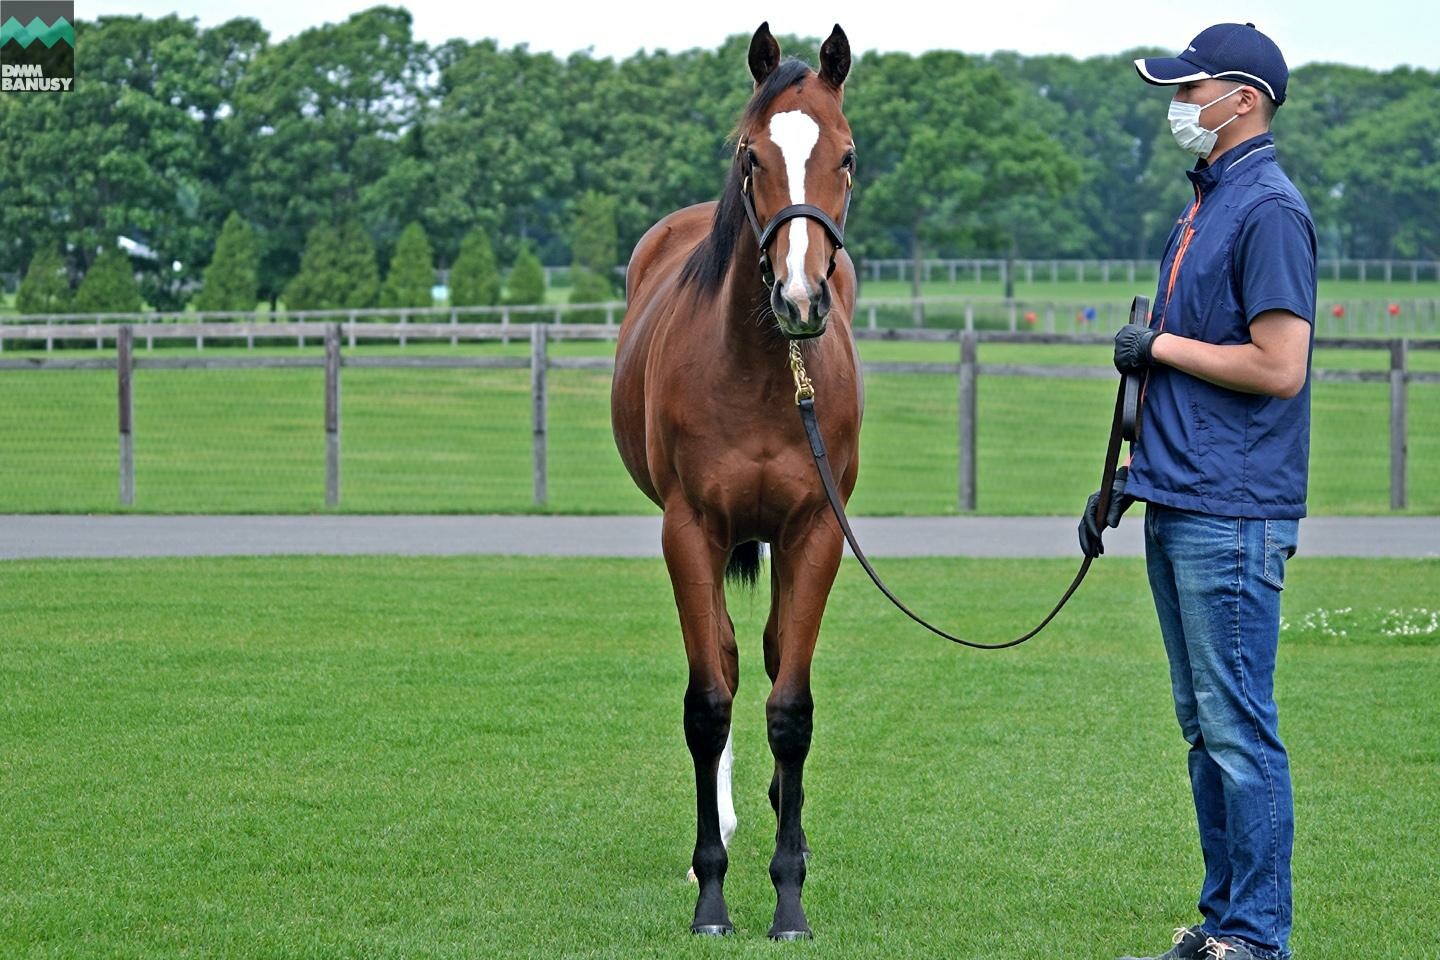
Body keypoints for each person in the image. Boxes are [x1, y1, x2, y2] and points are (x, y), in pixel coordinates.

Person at [1077, 22, 1317, 960]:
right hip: (1181, 501)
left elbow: (1279, 365)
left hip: (1234, 514)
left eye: (1191, 89)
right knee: (1205, 730)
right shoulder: (1204, 208)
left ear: (1241, 99)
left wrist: (1160, 345)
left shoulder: (1268, 210)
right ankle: (1222, 929)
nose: (1179, 106)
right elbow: (1171, 386)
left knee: (1238, 732)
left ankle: (1255, 940)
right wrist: (1122, 485)